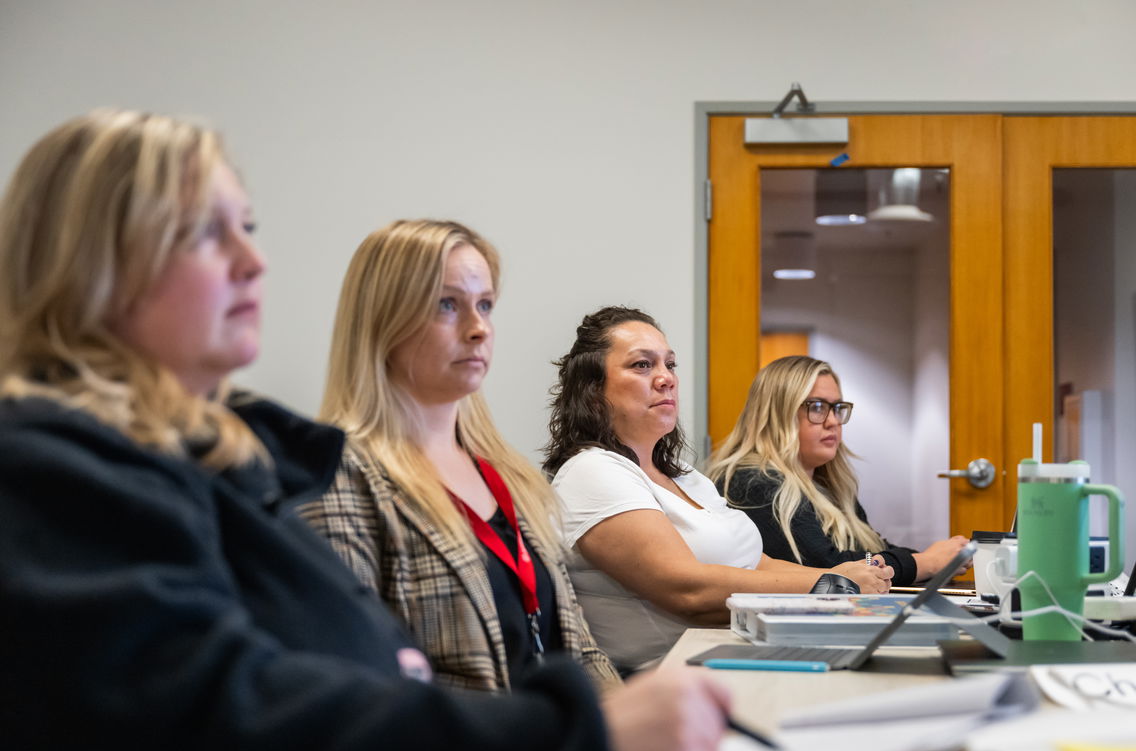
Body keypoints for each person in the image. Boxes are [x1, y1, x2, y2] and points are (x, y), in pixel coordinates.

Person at [0, 110, 729, 751]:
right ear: (89, 265)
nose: (254, 261)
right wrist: (572, 738)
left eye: (247, 227)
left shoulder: (232, 466)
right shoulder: (49, 471)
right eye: (204, 233)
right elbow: (242, 724)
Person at [300, 219, 620, 693]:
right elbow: (360, 692)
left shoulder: (507, 476)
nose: (478, 329)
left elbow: (576, 645)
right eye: (447, 305)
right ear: (383, 320)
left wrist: (624, 725)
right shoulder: (339, 480)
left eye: (485, 305)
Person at [544, 307, 891, 672]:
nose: (666, 379)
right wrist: (829, 586)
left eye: (670, 365)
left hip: (732, 655)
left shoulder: (683, 476)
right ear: (593, 390)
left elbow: (756, 563)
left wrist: (848, 578)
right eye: (642, 365)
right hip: (665, 680)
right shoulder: (591, 471)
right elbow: (687, 591)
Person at [707, 355, 969, 586]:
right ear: (778, 414)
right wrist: (926, 563)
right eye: (817, 408)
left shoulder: (825, 483)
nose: (833, 422)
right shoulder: (752, 482)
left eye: (837, 408)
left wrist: (936, 559)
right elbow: (831, 567)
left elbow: (870, 552)